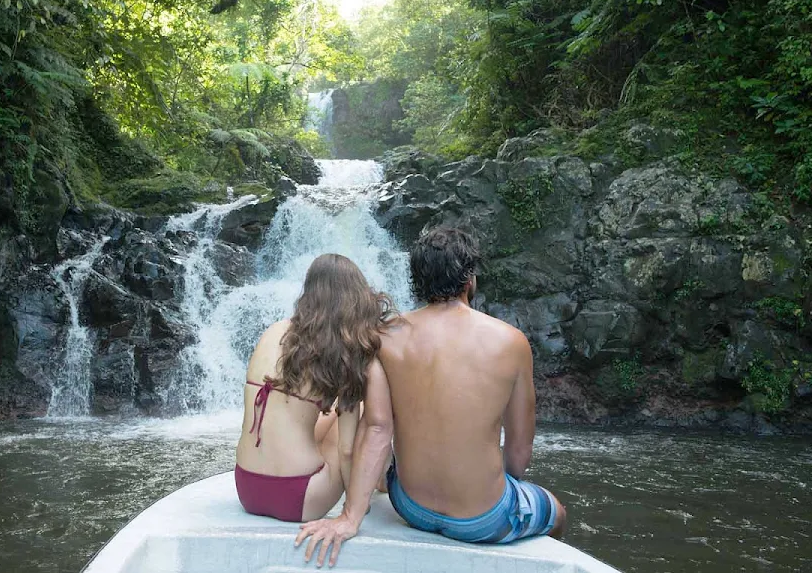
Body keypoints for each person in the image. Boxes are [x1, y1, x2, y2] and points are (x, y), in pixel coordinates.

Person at [296, 226, 567, 566]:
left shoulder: (385, 336)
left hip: (411, 507)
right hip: (483, 516)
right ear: (469, 278)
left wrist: (350, 517)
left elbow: (377, 429)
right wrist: (506, 485)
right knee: (557, 512)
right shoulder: (511, 342)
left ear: (417, 280)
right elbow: (519, 451)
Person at [235, 253, 395, 523]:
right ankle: (380, 480)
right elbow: (346, 450)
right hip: (299, 496)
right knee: (359, 411)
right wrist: (355, 502)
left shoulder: (273, 331)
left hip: (247, 488)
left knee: (326, 416)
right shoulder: (343, 352)